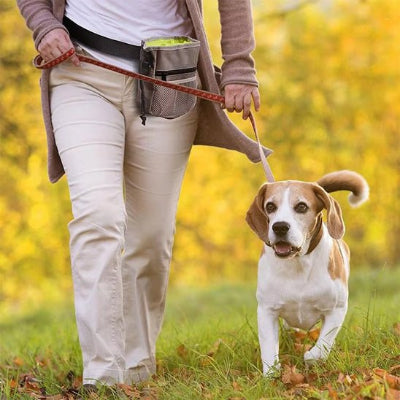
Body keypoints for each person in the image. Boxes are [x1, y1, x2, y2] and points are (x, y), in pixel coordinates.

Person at [17, 0, 271, 389]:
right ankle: (102, 375)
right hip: (80, 70)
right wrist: (44, 24)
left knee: (151, 237)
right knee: (97, 215)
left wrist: (239, 67)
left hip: (170, 78)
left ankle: (135, 370)